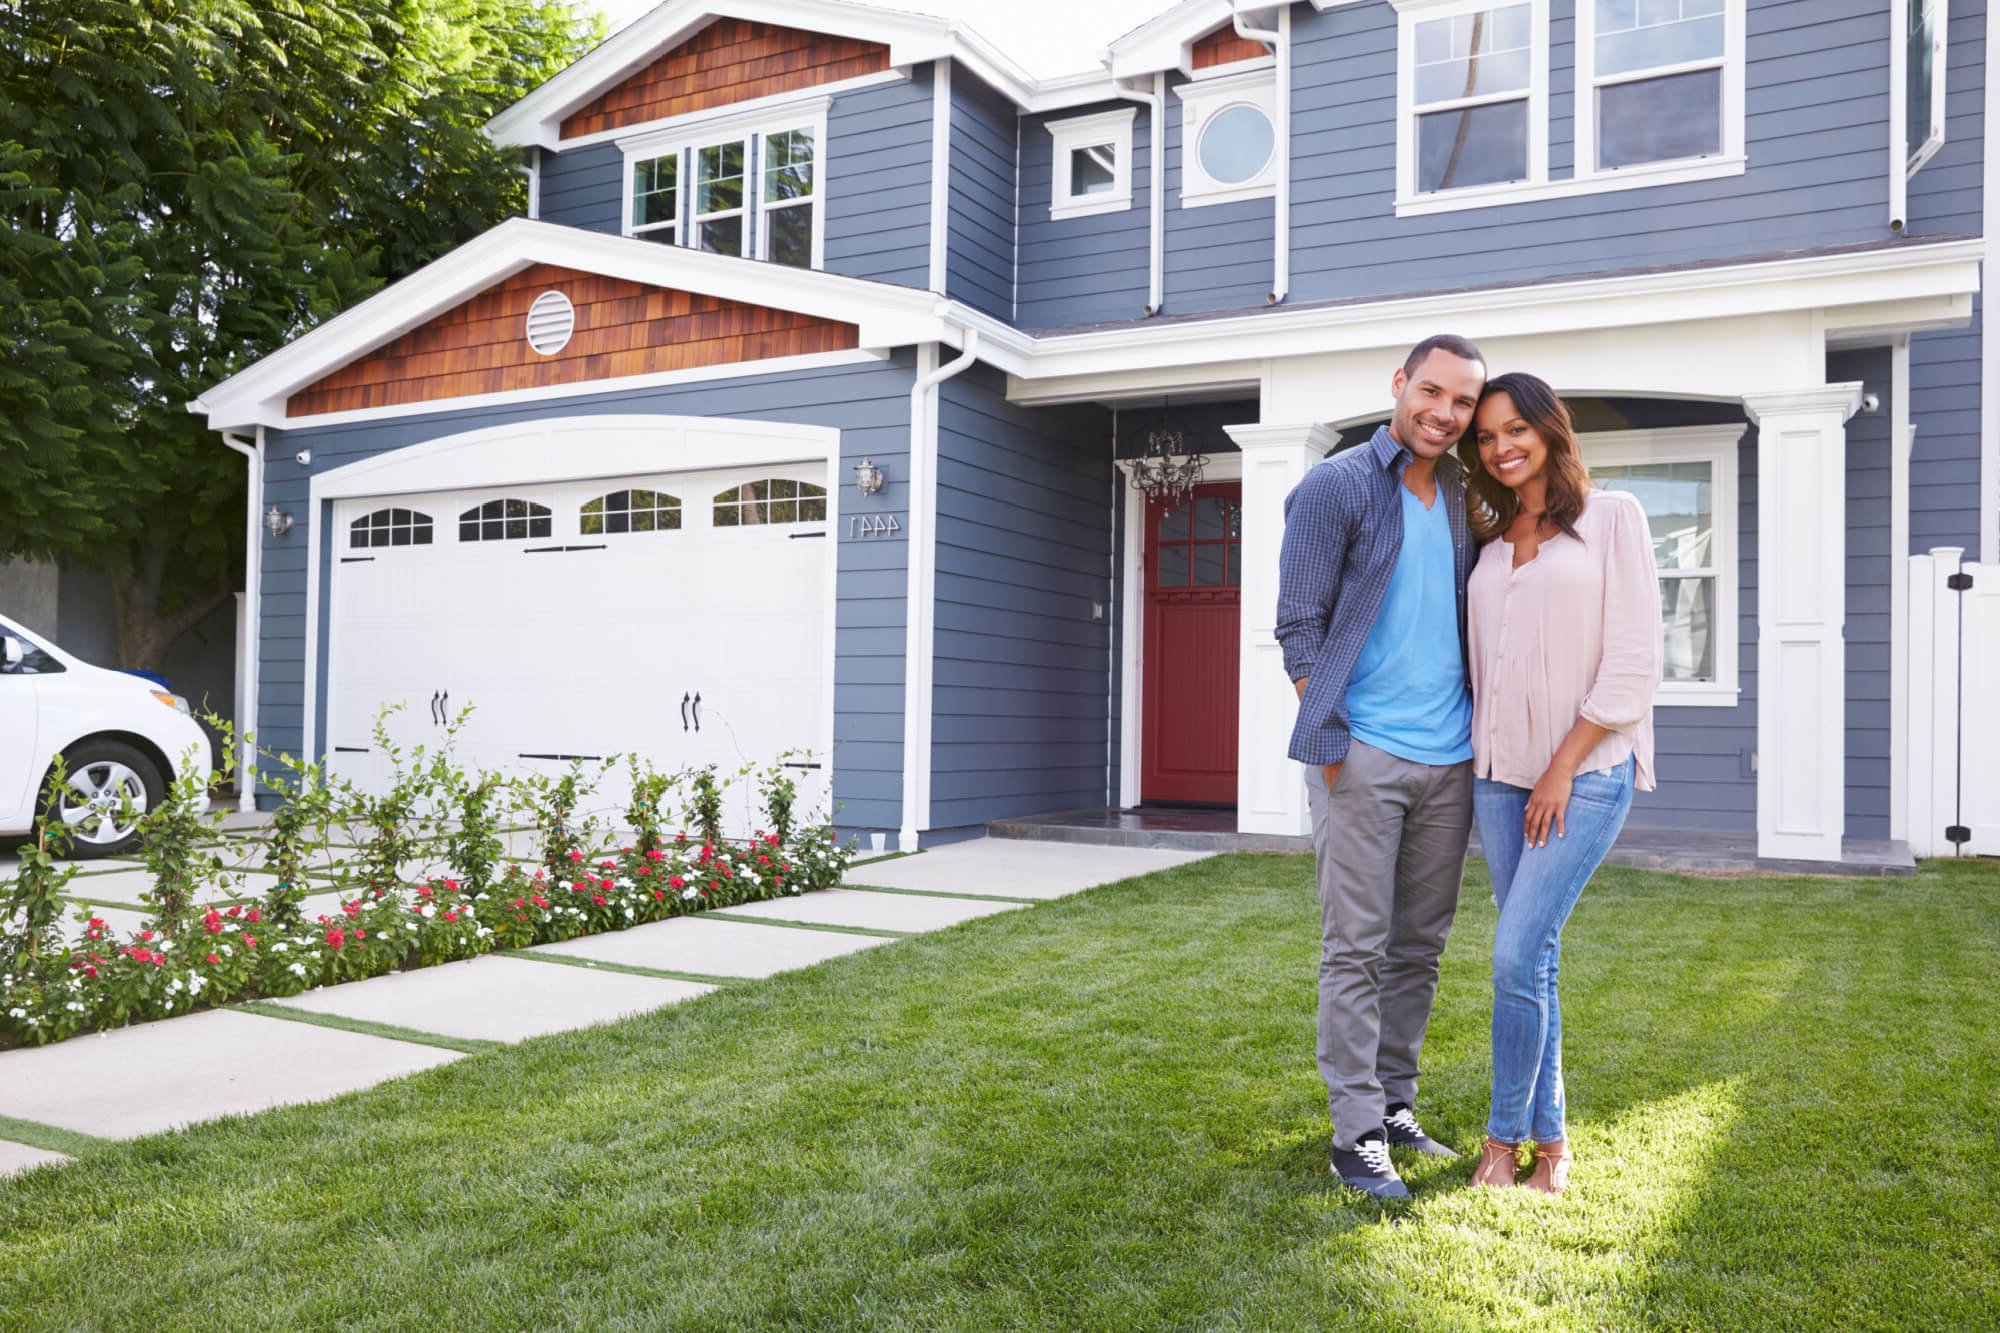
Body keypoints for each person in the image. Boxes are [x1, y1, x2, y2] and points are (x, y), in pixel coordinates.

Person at [1276, 333, 1485, 1199]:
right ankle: (1355, 1130)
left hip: (1452, 758)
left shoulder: (1469, 497)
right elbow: (1298, 624)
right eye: (1430, 391)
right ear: (1399, 384)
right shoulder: (1337, 485)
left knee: (1420, 949)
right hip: (1363, 755)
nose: (1443, 413)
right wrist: (1333, 737)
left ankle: (1396, 1103)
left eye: (1462, 402)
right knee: (1355, 947)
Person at [1458, 372, 1662, 1194]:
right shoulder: (1489, 537)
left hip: (1583, 777)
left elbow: (1635, 662)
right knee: (1532, 960)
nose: (1502, 446)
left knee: (1514, 952)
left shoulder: (1614, 518)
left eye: (1516, 429)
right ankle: (1555, 1148)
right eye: (1486, 436)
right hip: (1498, 779)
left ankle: (1502, 1142)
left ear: (1549, 429)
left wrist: (1562, 766)